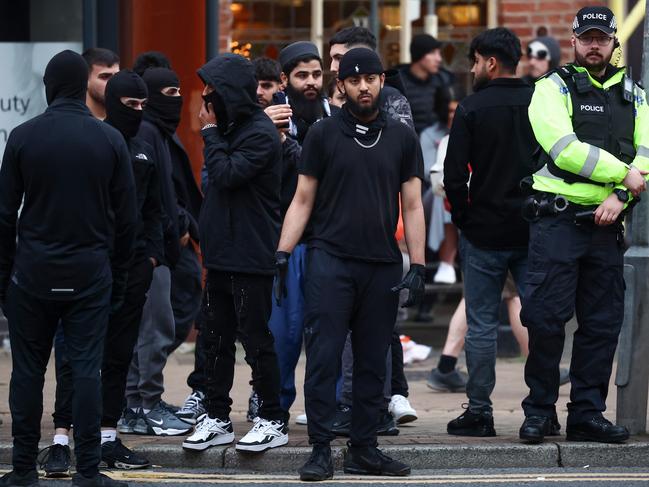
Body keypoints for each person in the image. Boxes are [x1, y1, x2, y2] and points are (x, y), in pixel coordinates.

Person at [277, 47, 425, 481]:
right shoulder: (322, 134)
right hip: (330, 260)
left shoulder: (401, 136)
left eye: (372, 78)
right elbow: (302, 198)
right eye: (355, 80)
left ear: (382, 82)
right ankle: (321, 448)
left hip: (381, 264)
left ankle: (364, 447)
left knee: (372, 362)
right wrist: (283, 254)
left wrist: (417, 265)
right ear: (340, 84)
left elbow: (413, 205)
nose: (364, 86)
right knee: (323, 356)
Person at [0, 50, 136, 487]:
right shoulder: (110, 139)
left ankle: (22, 470)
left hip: (33, 273)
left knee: (27, 372)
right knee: (86, 370)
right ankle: (89, 472)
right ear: (82, 88)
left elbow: (4, 216)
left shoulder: (22, 137)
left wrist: (5, 277)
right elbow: (127, 220)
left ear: (47, 88)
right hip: (90, 273)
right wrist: (116, 279)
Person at [519, 6, 649, 444]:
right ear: (573, 41)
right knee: (545, 320)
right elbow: (563, 148)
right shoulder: (551, 88)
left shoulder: (636, 94)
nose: (595, 45)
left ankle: (587, 414)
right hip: (557, 223)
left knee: (601, 324)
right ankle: (539, 411)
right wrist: (622, 175)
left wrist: (623, 196)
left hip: (606, 227)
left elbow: (646, 158)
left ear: (614, 42)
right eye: (587, 37)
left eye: (602, 38)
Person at [182, 53, 288, 453]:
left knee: (256, 340)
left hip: (251, 254)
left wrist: (209, 134)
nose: (205, 98)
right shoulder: (227, 129)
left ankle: (272, 419)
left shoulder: (259, 133)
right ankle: (217, 416)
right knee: (214, 338)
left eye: (212, 89)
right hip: (222, 254)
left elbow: (225, 176)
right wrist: (215, 134)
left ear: (229, 93)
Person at [443, 28, 536, 437]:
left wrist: (464, 216)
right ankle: (541, 411)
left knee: (480, 324)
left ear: (491, 62)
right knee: (540, 320)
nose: (474, 68)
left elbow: (452, 175)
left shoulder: (472, 107)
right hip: (534, 229)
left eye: (476, 61)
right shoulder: (541, 101)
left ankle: (480, 412)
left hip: (483, 231)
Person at [326, 26, 418, 433]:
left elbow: (406, 187)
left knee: (376, 332)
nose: (336, 67)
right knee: (353, 333)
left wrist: (418, 261)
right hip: (335, 240)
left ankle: (377, 405)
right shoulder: (326, 112)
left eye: (342, 60)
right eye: (335, 62)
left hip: (383, 237)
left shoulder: (393, 109)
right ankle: (368, 404)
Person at [121, 67, 198, 437]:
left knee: (157, 326)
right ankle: (143, 405)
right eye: (170, 91)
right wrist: (172, 233)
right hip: (154, 251)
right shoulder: (149, 132)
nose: (178, 98)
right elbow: (154, 200)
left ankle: (138, 402)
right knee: (155, 329)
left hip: (160, 247)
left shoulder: (156, 133)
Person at [81, 47, 120, 119]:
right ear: (85, 80)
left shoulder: (126, 122)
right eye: (105, 76)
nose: (114, 82)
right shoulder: (75, 121)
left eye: (117, 76)